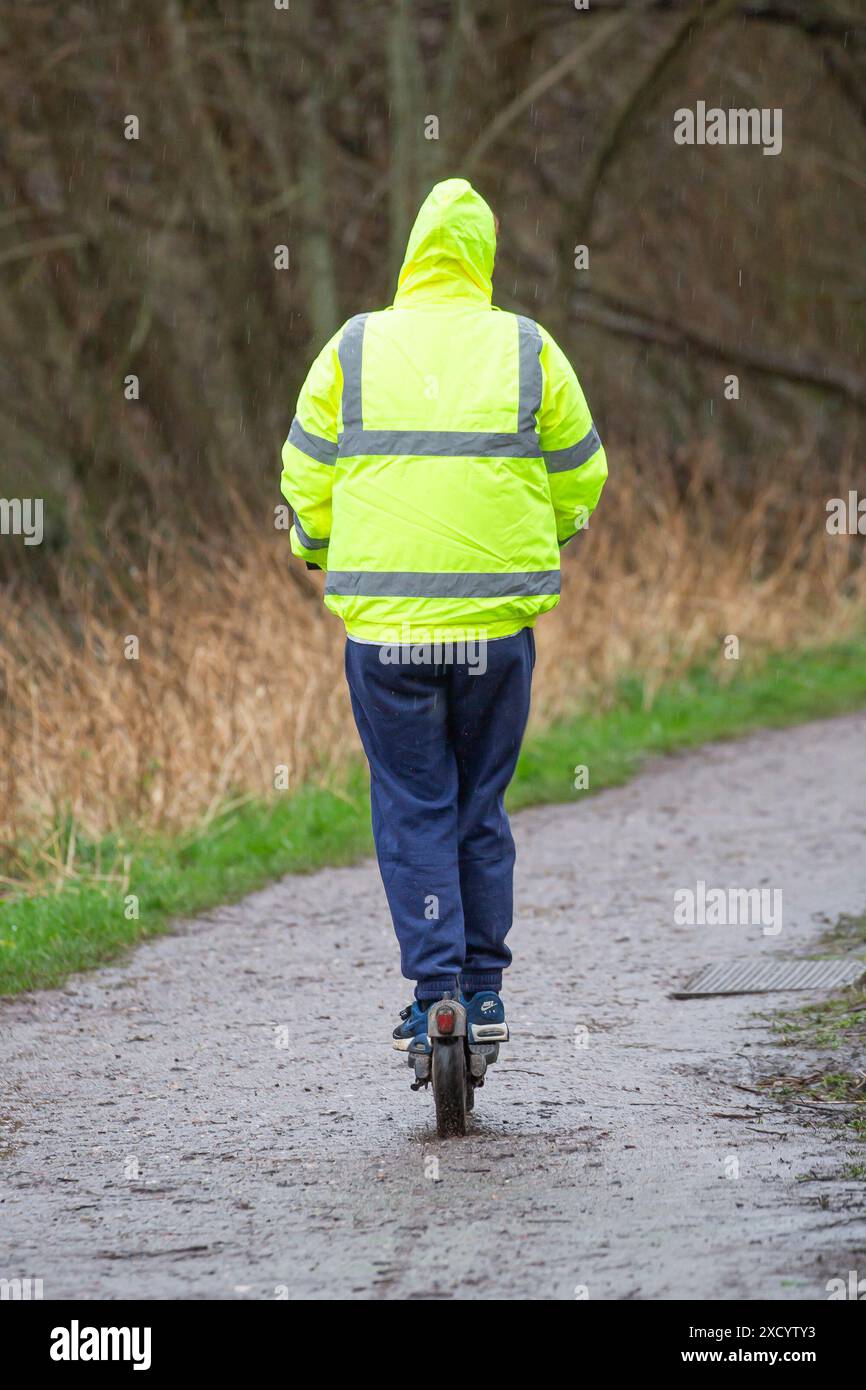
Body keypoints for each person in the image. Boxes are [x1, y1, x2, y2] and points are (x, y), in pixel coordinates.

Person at [280, 178, 607, 1055]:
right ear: (483, 259)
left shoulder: (353, 348)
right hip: (495, 633)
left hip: (387, 635)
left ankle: (436, 997)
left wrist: (317, 545)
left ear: (413, 256)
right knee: (479, 805)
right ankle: (485, 992)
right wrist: (549, 529)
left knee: (414, 803)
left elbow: (305, 475)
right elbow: (583, 470)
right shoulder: (528, 348)